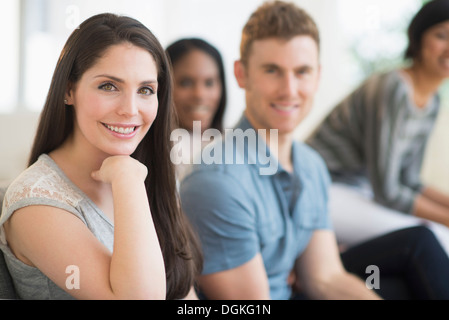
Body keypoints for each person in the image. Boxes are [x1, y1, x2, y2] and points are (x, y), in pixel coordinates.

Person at [180, 0, 449, 300]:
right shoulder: (216, 181)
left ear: (318, 75)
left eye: (302, 71)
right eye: (272, 71)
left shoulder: (310, 165)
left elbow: (325, 277)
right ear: (242, 74)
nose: (289, 89)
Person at [0, 13, 202, 300]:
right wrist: (128, 180)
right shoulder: (36, 202)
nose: (130, 109)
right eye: (109, 86)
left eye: (146, 90)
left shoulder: (155, 177)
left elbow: (184, 295)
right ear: (69, 90)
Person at [306, 0, 449, 254]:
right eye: (442, 35)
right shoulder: (392, 88)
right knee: (436, 237)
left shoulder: (433, 101)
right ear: (417, 38)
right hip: (325, 187)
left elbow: (410, 179)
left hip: (363, 190)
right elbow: (388, 191)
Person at [166, 38, 227, 180]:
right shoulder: (155, 154)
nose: (199, 95)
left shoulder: (236, 143)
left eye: (209, 83)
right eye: (185, 83)